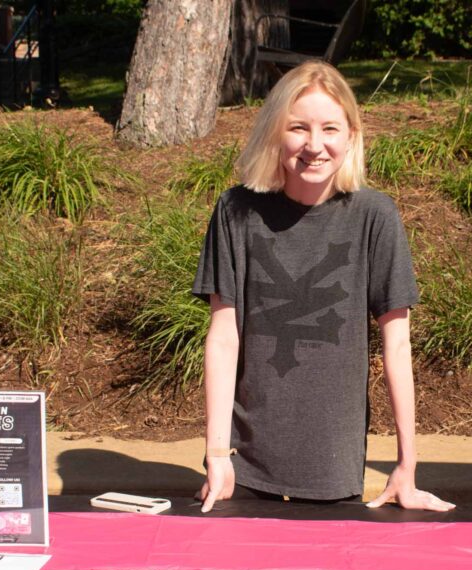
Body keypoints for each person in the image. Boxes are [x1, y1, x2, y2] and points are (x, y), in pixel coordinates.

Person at [192, 60, 455, 514]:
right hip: (245, 466)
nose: (315, 146)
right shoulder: (236, 211)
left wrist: (406, 467)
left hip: (335, 466)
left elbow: (397, 347)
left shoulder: (375, 216)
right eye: (298, 128)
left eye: (329, 128)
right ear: (276, 132)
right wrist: (217, 456)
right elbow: (223, 338)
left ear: (351, 135)